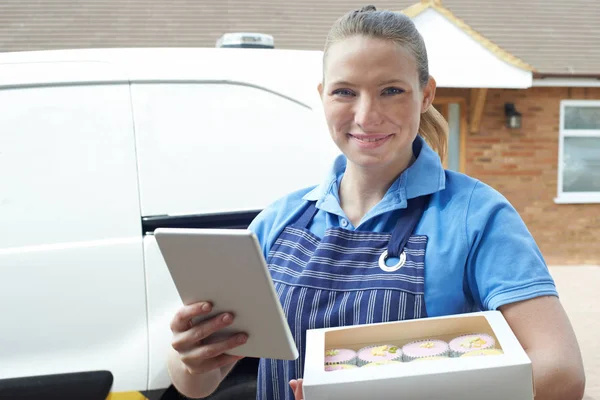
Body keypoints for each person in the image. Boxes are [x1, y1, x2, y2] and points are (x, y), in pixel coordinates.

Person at [166, 5, 586, 400]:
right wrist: (190, 358)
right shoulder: (277, 221)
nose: (367, 116)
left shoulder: (477, 216)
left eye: (391, 90)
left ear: (425, 95)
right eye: (345, 91)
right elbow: (200, 383)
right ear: (323, 95)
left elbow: (561, 373)